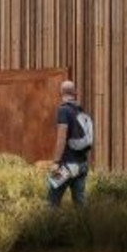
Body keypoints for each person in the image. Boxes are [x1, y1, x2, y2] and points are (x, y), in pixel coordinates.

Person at [46, 79, 91, 207]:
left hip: (66, 166)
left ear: (61, 92)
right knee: (80, 205)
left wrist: (56, 162)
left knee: (52, 201)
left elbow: (62, 137)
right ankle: (87, 227)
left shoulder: (63, 110)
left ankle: (50, 227)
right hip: (82, 164)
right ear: (75, 93)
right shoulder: (81, 112)